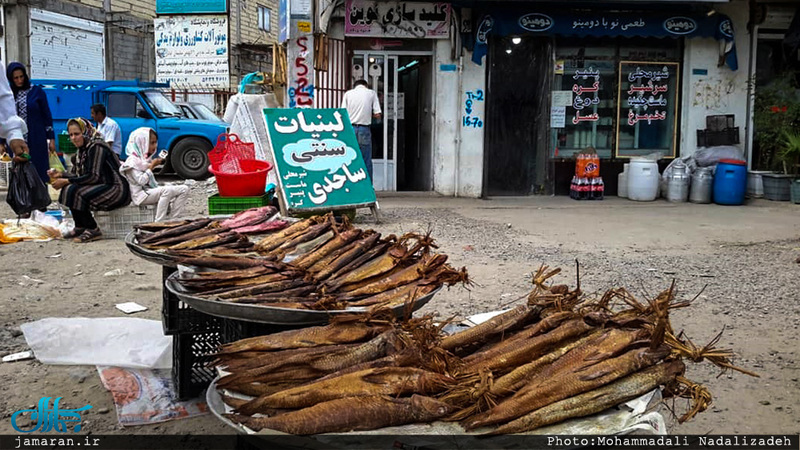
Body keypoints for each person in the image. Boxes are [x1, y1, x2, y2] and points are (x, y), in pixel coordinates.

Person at [49, 118, 131, 242]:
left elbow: (93, 176)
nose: (73, 138)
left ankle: (93, 228)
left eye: (77, 134)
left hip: (115, 188)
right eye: (71, 135)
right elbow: (78, 175)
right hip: (101, 184)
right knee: (68, 189)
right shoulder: (82, 150)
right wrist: (60, 174)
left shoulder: (97, 146)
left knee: (76, 190)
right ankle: (80, 226)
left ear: (85, 131)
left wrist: (66, 181)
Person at [120, 127, 189, 222]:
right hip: (140, 196)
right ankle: (159, 222)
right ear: (142, 142)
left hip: (149, 191)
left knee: (184, 189)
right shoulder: (132, 161)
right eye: (152, 143)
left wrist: (154, 164)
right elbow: (141, 181)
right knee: (166, 191)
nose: (155, 146)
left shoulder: (143, 159)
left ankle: (174, 219)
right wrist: (152, 166)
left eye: (155, 142)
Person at [6, 62, 55, 182]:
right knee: (18, 173)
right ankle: (20, 199)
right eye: (16, 78)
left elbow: (46, 116)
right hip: (15, 140)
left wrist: (51, 139)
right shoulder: (8, 95)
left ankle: (38, 198)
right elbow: (4, 118)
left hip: (36, 138)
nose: (19, 80)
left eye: (21, 76)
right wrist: (1, 142)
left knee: (38, 171)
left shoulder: (37, 92)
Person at [341, 79, 381, 180]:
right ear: (366, 85)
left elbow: (342, 113)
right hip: (364, 130)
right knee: (366, 160)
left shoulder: (348, 94)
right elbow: (377, 114)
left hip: (350, 130)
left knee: (350, 159)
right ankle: (368, 188)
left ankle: (351, 187)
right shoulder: (371, 93)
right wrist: (368, 114)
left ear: (355, 86)